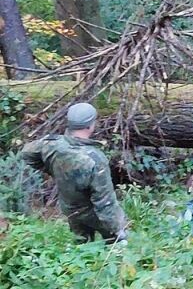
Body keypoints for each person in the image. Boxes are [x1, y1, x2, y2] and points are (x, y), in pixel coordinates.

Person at [20, 102, 127, 243]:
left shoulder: (52, 144)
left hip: (70, 209)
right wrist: (117, 229)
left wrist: (51, 169)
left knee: (81, 246)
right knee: (116, 244)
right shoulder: (95, 158)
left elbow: (26, 153)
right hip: (92, 213)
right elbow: (104, 201)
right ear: (90, 125)